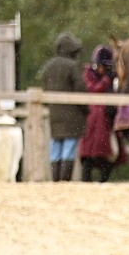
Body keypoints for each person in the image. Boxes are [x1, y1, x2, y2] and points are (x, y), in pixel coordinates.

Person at [39, 32, 87, 182]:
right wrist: (85, 109)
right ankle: (64, 180)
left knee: (55, 145)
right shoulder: (72, 66)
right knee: (69, 146)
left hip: (54, 113)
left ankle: (55, 180)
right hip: (72, 115)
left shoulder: (49, 66)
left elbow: (45, 89)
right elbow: (80, 89)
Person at [79, 45, 122, 182]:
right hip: (93, 120)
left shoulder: (110, 79)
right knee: (89, 154)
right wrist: (107, 80)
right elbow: (94, 89)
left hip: (106, 120)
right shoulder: (88, 75)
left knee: (111, 153)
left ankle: (102, 181)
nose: (104, 70)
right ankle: (87, 181)